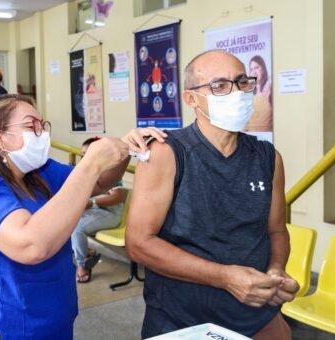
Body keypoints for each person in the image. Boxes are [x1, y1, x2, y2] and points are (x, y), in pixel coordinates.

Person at [0, 93, 165, 339]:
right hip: (11, 327)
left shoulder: (40, 174)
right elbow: (31, 245)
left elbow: (99, 182)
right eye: (30, 126)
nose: (41, 134)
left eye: (42, 125)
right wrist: (91, 162)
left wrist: (124, 150)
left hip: (54, 322)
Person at [126, 50, 298, 339]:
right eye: (219, 86)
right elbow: (139, 244)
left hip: (255, 315)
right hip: (182, 318)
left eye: (242, 82)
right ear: (191, 99)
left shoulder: (268, 158)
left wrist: (276, 271)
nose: (236, 92)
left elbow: (277, 231)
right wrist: (225, 277)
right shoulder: (166, 153)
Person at [71, 137, 127, 284]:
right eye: (82, 154)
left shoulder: (109, 171)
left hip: (111, 214)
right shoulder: (83, 171)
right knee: (65, 220)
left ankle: (82, 264)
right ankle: (87, 251)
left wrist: (91, 203)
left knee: (77, 228)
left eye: (87, 154)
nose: (84, 158)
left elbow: (117, 197)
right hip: (95, 211)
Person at [245, 55, 273, 132]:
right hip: (250, 136)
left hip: (268, 136)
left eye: (257, 68)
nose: (254, 72)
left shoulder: (270, 90)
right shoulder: (248, 92)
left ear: (263, 69)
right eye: (251, 69)